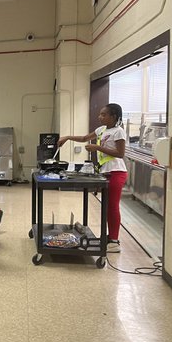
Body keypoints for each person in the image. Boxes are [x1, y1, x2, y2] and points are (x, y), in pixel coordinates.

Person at [58, 103, 128, 253]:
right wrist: (67, 137)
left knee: (113, 206)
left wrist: (97, 147)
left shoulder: (119, 132)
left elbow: (120, 153)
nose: (100, 116)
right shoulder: (101, 130)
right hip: (105, 172)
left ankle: (114, 241)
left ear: (113, 116)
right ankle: (110, 237)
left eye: (104, 114)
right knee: (107, 206)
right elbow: (84, 138)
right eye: (100, 114)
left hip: (116, 172)